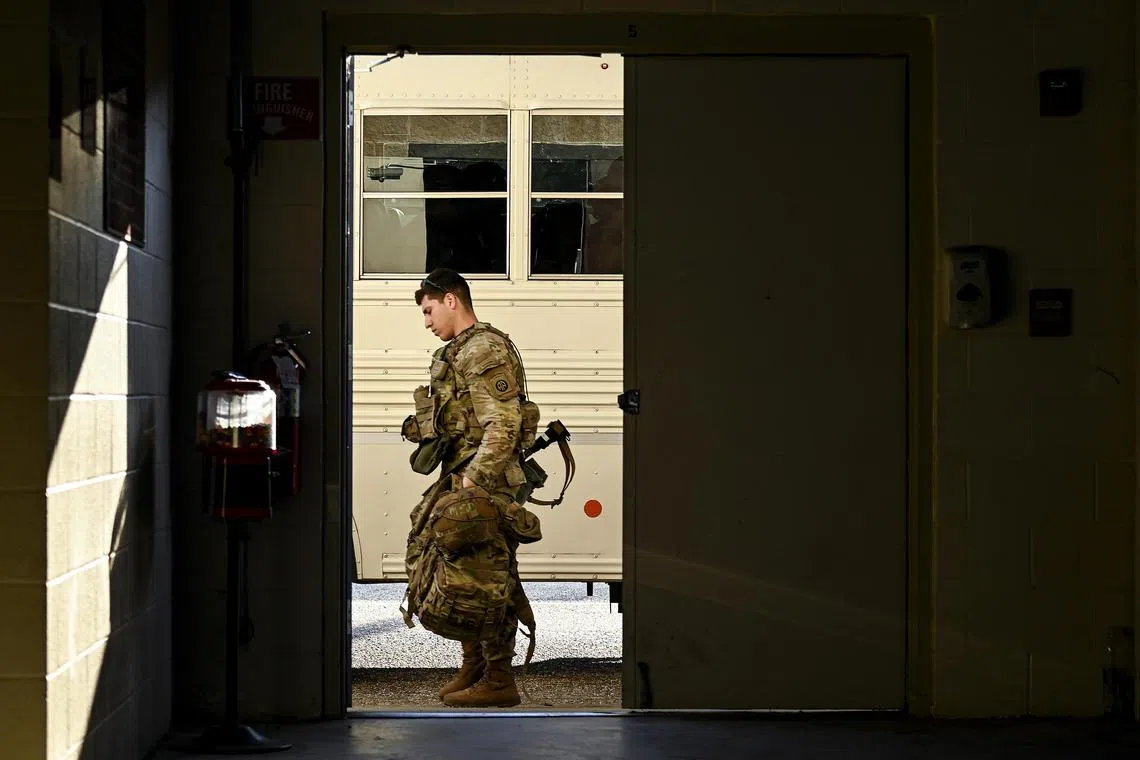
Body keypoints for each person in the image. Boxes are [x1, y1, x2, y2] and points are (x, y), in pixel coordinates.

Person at [405, 267, 536, 708]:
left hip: (485, 481)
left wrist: (473, 482)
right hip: (462, 472)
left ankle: (499, 677)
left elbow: (504, 422)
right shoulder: (460, 350)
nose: (426, 322)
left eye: (428, 310)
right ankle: (476, 663)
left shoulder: (481, 350)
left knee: (487, 576)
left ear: (451, 300)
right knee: (460, 564)